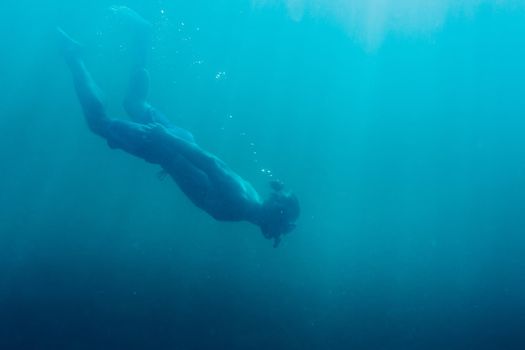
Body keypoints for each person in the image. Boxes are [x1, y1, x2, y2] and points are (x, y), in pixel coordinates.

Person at [57, 6, 299, 247]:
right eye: (279, 228)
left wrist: (175, 162)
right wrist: (166, 140)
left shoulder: (250, 201)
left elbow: (205, 176)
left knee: (134, 102)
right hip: (166, 146)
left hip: (176, 145)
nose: (274, 233)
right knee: (100, 124)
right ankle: (73, 56)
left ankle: (143, 33)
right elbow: (211, 163)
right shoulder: (242, 202)